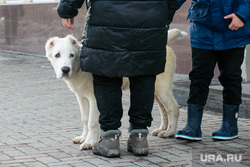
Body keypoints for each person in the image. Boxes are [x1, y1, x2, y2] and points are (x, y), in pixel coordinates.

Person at [57, 0, 177, 157]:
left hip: (106, 20)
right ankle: (139, 137)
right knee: (144, 76)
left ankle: (110, 138)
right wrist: (161, 16)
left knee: (106, 77)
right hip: (149, 19)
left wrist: (67, 10)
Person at [175, 0, 250, 141]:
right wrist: (158, 17)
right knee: (199, 76)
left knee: (231, 77)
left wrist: (242, 15)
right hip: (202, 29)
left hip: (233, 30)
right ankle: (193, 126)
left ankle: (230, 125)